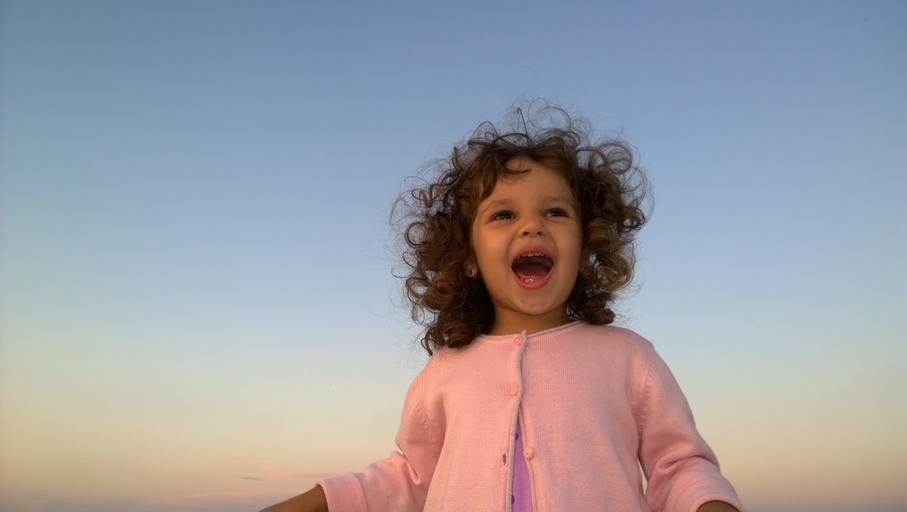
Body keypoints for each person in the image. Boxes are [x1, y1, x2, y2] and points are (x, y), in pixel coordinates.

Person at [261, 103, 746, 512]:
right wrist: (318, 501)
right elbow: (409, 477)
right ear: (469, 258)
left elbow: (678, 466)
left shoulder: (629, 358)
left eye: (555, 211)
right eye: (504, 214)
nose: (532, 226)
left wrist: (708, 501)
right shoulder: (444, 372)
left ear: (586, 245)